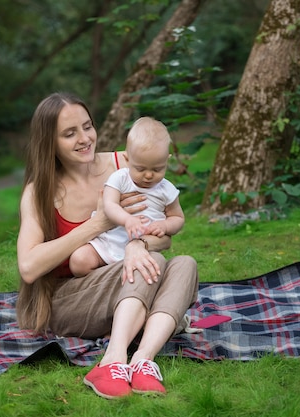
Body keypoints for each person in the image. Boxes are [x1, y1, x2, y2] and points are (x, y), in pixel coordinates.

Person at [15, 92, 199, 400]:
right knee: (144, 266)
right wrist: (99, 224)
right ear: (50, 141)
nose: (85, 138)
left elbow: (165, 237)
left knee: (184, 264)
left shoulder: (126, 165)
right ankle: (113, 359)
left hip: (124, 283)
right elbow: (29, 267)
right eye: (69, 133)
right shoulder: (39, 192)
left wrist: (135, 244)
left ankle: (142, 360)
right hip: (68, 298)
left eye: (87, 126)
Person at [68, 117, 185, 277]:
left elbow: (178, 217)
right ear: (127, 159)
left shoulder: (167, 189)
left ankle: (124, 281)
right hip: (109, 242)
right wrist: (127, 220)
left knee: (152, 270)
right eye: (140, 168)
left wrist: (165, 226)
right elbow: (109, 205)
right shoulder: (120, 178)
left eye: (157, 169)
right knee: (79, 261)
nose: (149, 175)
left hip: (144, 246)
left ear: (167, 161)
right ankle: (108, 281)